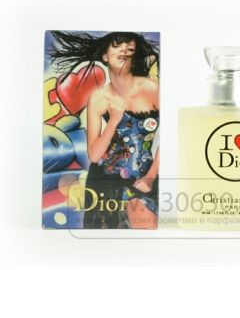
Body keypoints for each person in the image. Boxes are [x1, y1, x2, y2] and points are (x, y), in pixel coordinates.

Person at [49, 31, 160, 229]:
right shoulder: (98, 98)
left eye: (130, 48)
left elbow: (172, 136)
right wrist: (114, 120)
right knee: (102, 242)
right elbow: (94, 154)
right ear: (105, 56)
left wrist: (151, 176)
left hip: (144, 177)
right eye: (117, 46)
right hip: (104, 182)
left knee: (146, 236)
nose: (124, 50)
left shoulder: (152, 89)